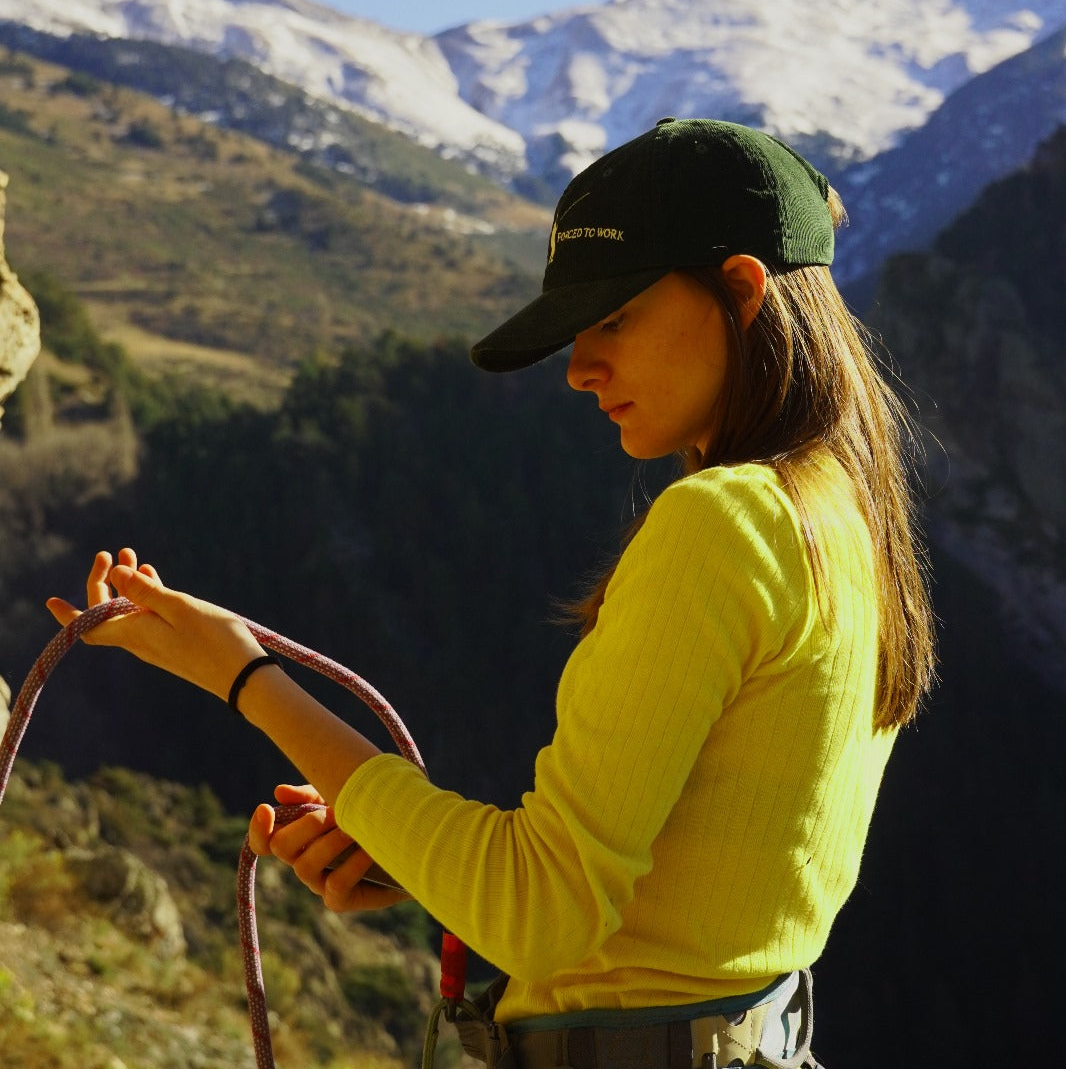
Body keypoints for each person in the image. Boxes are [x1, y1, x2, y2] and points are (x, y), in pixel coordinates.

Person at [47, 118, 935, 1069]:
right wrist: (424, 859)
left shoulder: (723, 522)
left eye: (615, 320)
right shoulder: (844, 514)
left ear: (742, 291)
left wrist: (244, 674)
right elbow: (675, 882)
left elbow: (539, 910)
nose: (582, 369)